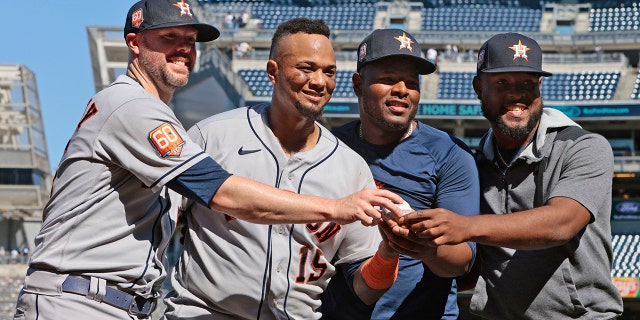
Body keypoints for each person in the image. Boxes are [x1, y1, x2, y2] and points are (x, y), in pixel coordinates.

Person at [12, 2, 403, 319]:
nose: (183, 48)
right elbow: (219, 191)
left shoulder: (349, 166)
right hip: (79, 300)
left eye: (190, 40)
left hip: (112, 302)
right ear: (134, 43)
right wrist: (336, 207)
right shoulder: (133, 107)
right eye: (169, 38)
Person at [163, 18, 401, 320]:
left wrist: (389, 253)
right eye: (306, 68)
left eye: (329, 72)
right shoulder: (212, 137)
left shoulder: (351, 167)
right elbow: (158, 226)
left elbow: (364, 290)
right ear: (273, 72)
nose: (319, 81)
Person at [397, 32, 624, 319]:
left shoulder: (584, 147)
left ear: (540, 86)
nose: (517, 94)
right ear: (478, 87)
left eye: (527, 83)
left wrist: (465, 226)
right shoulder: (472, 163)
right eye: (502, 83)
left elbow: (561, 224)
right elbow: (471, 270)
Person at [320, 29, 480, 319]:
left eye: (411, 82)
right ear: (358, 84)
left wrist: (420, 245)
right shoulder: (329, 147)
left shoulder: (450, 154)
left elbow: (461, 262)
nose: (402, 89)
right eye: (388, 78)